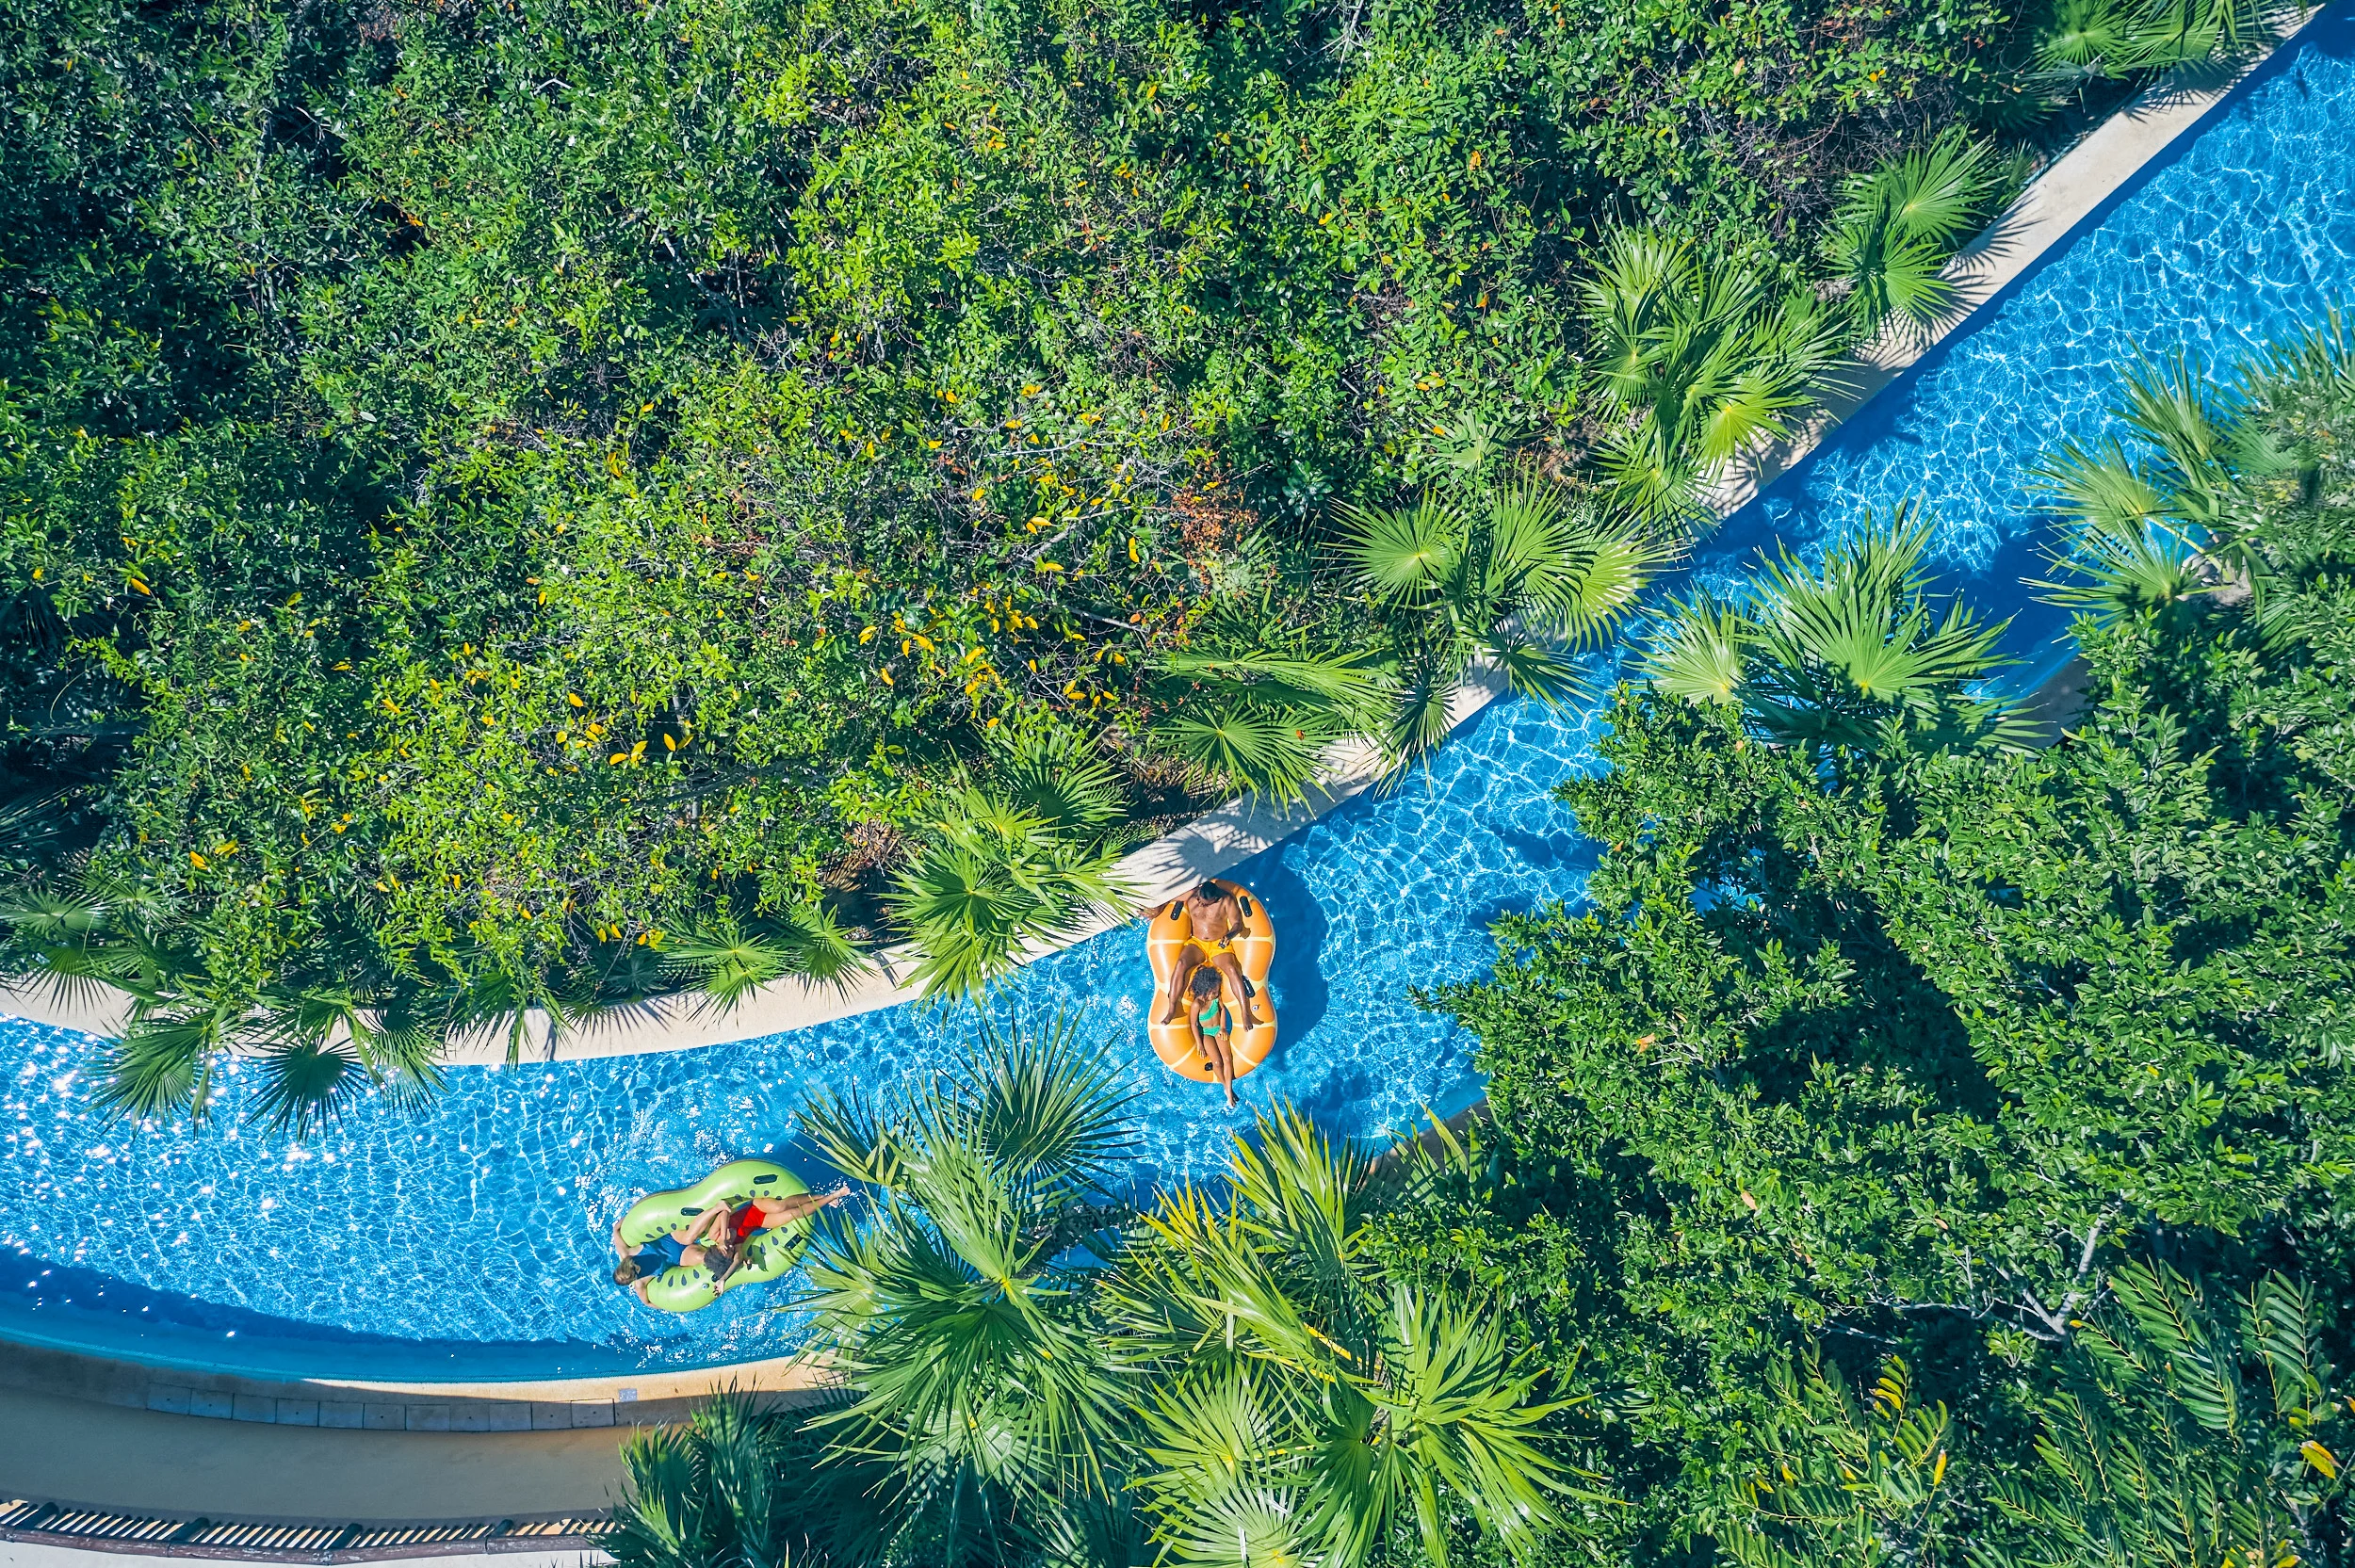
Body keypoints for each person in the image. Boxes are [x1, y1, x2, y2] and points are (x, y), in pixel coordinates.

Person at [1157, 882, 1263, 1032]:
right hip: (1197, 943)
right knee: (1181, 963)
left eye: (1205, 903)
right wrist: (1157, 910)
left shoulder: (1226, 900)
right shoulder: (1193, 894)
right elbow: (1167, 898)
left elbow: (1237, 924)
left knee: (1232, 969)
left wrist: (1229, 935)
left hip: (1218, 944)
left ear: (1215, 898)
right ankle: (1172, 1009)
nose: (1201, 904)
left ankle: (1245, 1012)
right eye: (1199, 900)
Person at [610, 1204, 736, 1301]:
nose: (638, 1269)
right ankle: (733, 1250)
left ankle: (717, 1208)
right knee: (703, 1258)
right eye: (636, 1273)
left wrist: (634, 1213)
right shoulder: (640, 1284)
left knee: (689, 1238)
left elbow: (616, 1229)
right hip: (680, 1257)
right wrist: (673, 1304)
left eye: (634, 1267)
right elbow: (648, 1303)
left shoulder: (626, 1253)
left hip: (672, 1239)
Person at [1188, 964, 1242, 1107]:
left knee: (1227, 1059)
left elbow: (1223, 1009)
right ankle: (1226, 1087)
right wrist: (1199, 1043)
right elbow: (1194, 1025)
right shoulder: (1197, 1004)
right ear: (1205, 990)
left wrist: (1223, 1028)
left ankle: (1229, 1093)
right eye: (1214, 992)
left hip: (1218, 1029)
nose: (1217, 994)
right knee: (1217, 1063)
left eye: (1217, 991)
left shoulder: (1216, 999)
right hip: (1207, 1033)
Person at [726, 1185, 851, 1243]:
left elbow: (723, 1214)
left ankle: (819, 1196)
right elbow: (738, 1257)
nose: (730, 1245)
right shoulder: (734, 1245)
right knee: (793, 1214)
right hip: (761, 1222)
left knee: (780, 1206)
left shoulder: (716, 1233)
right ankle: (833, 1196)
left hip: (753, 1207)